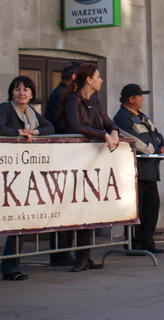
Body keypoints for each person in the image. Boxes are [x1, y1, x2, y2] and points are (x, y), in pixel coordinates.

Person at [0, 76, 55, 281]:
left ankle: (12, 265)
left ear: (32, 93)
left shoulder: (31, 112)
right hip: (8, 169)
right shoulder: (5, 108)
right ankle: (10, 267)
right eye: (17, 89)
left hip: (27, 169)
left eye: (26, 89)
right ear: (11, 92)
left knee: (21, 218)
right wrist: (19, 132)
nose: (22, 93)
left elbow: (50, 128)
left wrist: (34, 132)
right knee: (15, 218)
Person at [65, 64, 120, 271]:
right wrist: (102, 134)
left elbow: (107, 121)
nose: (101, 79)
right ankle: (78, 256)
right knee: (79, 206)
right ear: (89, 79)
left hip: (94, 161)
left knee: (90, 206)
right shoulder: (73, 100)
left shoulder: (95, 101)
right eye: (98, 76)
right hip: (76, 159)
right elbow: (76, 126)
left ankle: (85, 256)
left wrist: (113, 131)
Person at [114, 84, 164, 254]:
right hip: (135, 171)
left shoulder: (142, 117)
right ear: (131, 99)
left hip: (150, 170)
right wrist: (154, 150)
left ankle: (147, 242)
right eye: (140, 96)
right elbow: (134, 141)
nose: (142, 99)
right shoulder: (122, 118)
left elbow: (158, 135)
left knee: (152, 207)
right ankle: (134, 243)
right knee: (136, 209)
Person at [45, 61, 82, 266]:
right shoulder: (61, 95)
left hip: (65, 154)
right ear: (75, 77)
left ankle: (64, 251)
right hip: (61, 155)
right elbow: (62, 125)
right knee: (62, 204)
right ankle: (60, 254)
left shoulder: (64, 94)